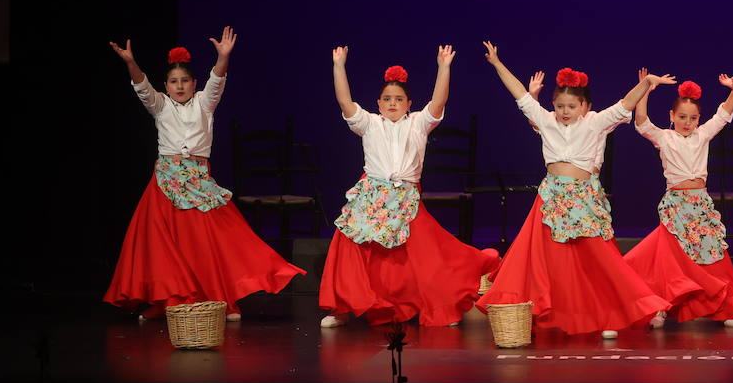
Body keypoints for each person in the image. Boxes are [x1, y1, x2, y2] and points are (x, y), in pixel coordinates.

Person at [104, 31, 304, 320]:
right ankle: (170, 299)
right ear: (166, 86)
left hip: (198, 180)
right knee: (166, 247)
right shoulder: (161, 105)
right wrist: (131, 63)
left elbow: (216, 81)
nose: (180, 86)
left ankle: (220, 298)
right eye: (174, 81)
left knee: (213, 239)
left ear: (194, 83)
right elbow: (142, 87)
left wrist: (223, 57)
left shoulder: (204, 103)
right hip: (167, 182)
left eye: (185, 80)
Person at [475, 42, 671, 337]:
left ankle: (621, 311)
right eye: (559, 106)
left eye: (571, 107)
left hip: (583, 198)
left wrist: (646, 83)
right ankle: (543, 311)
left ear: (584, 106)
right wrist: (497, 63)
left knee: (599, 258)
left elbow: (625, 104)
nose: (564, 112)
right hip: (552, 198)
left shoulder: (595, 122)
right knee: (547, 261)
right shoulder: (546, 121)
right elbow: (519, 94)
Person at [319, 45, 499, 327]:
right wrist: (338, 66)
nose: (392, 103)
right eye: (387, 99)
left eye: (399, 99)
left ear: (408, 103)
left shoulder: (418, 123)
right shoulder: (369, 123)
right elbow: (345, 101)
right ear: (378, 103)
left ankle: (443, 303)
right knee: (348, 245)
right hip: (372, 195)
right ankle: (342, 307)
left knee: (427, 252)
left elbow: (438, 102)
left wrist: (444, 67)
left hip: (405, 197)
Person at [624, 74, 733, 328]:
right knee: (671, 260)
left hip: (699, 205)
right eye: (682, 117)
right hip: (676, 206)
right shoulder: (665, 138)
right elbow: (642, 122)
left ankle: (724, 306)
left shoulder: (703, 135)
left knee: (713, 254)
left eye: (693, 118)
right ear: (672, 115)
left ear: (698, 119)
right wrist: (645, 90)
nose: (687, 123)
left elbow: (723, 114)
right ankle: (660, 307)